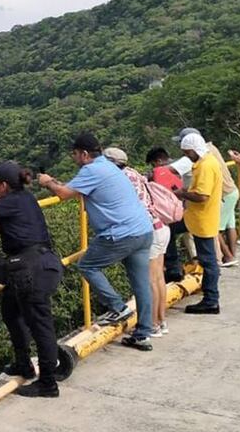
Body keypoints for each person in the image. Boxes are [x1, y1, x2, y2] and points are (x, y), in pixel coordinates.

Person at [38, 133, 155, 352]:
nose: (73, 158)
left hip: (121, 234)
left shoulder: (91, 170)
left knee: (87, 265)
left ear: (83, 154)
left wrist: (47, 182)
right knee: (141, 284)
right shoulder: (108, 166)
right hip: (142, 230)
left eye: (74, 154)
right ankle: (143, 333)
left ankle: (117, 307)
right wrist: (58, 184)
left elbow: (63, 194)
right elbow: (74, 189)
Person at [0, 161, 63, 398]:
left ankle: (48, 383)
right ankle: (24, 363)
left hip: (31, 269)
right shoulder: (27, 198)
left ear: (2, 185)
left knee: (40, 324)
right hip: (42, 262)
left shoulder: (8, 202)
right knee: (10, 309)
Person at [105, 148, 170, 337]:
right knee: (158, 278)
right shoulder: (133, 172)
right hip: (160, 226)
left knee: (149, 281)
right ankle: (160, 321)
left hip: (147, 228)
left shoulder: (119, 179)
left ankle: (152, 325)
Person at [172, 128, 238, 266]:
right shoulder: (210, 151)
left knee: (214, 231)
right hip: (230, 191)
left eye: (185, 150)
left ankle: (222, 258)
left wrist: (182, 193)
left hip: (220, 197)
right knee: (229, 225)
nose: (184, 154)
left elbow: (201, 196)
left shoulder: (203, 162)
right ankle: (230, 256)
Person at [173, 132, 223, 314]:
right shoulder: (205, 162)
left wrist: (182, 194)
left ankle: (211, 300)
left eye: (187, 152)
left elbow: (202, 196)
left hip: (201, 219)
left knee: (208, 261)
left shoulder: (206, 166)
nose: (186, 156)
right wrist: (187, 190)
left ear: (194, 150)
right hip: (196, 217)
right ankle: (173, 269)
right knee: (170, 230)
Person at [146, 147, 186, 283]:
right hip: (191, 210)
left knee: (166, 230)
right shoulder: (180, 165)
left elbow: (161, 196)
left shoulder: (160, 171)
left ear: (157, 161)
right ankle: (174, 267)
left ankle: (173, 268)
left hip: (185, 213)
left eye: (152, 164)